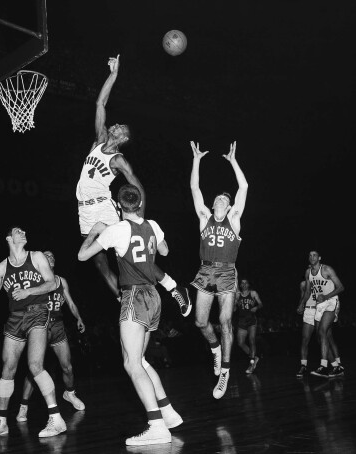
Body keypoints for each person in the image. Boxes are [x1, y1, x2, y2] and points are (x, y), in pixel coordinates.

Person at [75, 54, 191, 317]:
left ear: (123, 138)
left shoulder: (119, 160)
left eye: (120, 127)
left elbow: (138, 186)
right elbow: (100, 102)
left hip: (104, 207)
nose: (115, 125)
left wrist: (140, 218)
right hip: (85, 210)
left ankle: (173, 287)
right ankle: (122, 298)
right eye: (115, 124)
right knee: (99, 263)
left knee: (128, 252)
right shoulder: (99, 140)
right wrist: (114, 74)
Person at [78, 184, 183, 446]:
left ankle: (156, 426)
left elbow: (82, 256)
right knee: (141, 360)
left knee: (132, 364)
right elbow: (165, 251)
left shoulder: (116, 230)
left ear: (118, 204)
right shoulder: (153, 225)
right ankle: (168, 413)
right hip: (154, 297)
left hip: (134, 296)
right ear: (139, 203)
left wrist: (94, 232)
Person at [0, 227, 66, 439]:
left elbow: (52, 282)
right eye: (18, 231)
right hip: (15, 317)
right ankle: (1, 423)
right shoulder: (1, 268)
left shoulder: (36, 257)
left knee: (35, 365)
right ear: (9, 238)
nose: (24, 232)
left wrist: (28, 291)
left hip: (38, 312)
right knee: (7, 368)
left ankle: (57, 418)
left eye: (25, 230)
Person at [189, 140, 248, 399]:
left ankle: (225, 371)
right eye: (218, 198)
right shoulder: (204, 217)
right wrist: (197, 160)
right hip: (205, 271)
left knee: (225, 321)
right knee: (201, 322)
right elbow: (194, 187)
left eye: (225, 198)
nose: (221, 199)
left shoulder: (234, 220)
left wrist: (233, 161)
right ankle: (214, 349)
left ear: (230, 205)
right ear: (213, 206)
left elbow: (244, 186)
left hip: (226, 273)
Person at [16, 250, 87, 422]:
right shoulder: (35, 282)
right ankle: (23, 406)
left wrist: (78, 318)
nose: (51, 258)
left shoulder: (61, 281)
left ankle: (69, 394)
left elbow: (69, 302)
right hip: (39, 325)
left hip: (57, 325)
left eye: (53, 256)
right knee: (35, 369)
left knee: (67, 366)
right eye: (47, 256)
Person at [297, 251, 345, 378]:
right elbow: (307, 291)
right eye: (310, 255)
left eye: (314, 255)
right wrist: (302, 303)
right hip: (320, 304)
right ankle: (337, 367)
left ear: (319, 258)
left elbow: (341, 287)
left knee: (323, 332)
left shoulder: (326, 269)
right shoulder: (308, 273)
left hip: (331, 301)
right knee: (320, 335)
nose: (312, 257)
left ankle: (323, 366)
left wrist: (326, 296)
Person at [233, 278, 263, 374]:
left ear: (248, 284)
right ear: (240, 285)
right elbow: (234, 309)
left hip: (251, 320)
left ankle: (252, 363)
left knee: (251, 340)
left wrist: (256, 307)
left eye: (246, 282)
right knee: (240, 343)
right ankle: (254, 357)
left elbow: (261, 304)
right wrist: (233, 305)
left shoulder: (253, 293)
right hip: (242, 321)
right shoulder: (238, 295)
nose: (244, 284)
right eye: (242, 283)